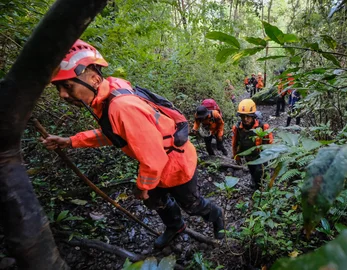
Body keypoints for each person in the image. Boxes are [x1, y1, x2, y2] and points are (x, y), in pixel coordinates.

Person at [41, 40, 224, 248]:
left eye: (67, 86)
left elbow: (154, 159)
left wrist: (142, 187)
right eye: (59, 88)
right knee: (155, 201)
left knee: (191, 204)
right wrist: (71, 141)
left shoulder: (121, 107)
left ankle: (216, 215)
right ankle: (175, 226)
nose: (62, 94)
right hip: (156, 165)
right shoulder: (108, 95)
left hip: (175, 164)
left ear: (92, 78)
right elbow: (113, 134)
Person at [232, 99, 274, 189]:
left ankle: (259, 188)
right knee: (252, 169)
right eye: (243, 117)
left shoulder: (263, 127)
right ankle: (255, 181)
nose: (245, 119)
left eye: (248, 116)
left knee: (260, 172)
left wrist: (270, 155)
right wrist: (236, 155)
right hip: (248, 155)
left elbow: (270, 142)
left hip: (261, 156)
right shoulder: (238, 128)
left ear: (253, 116)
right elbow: (234, 142)